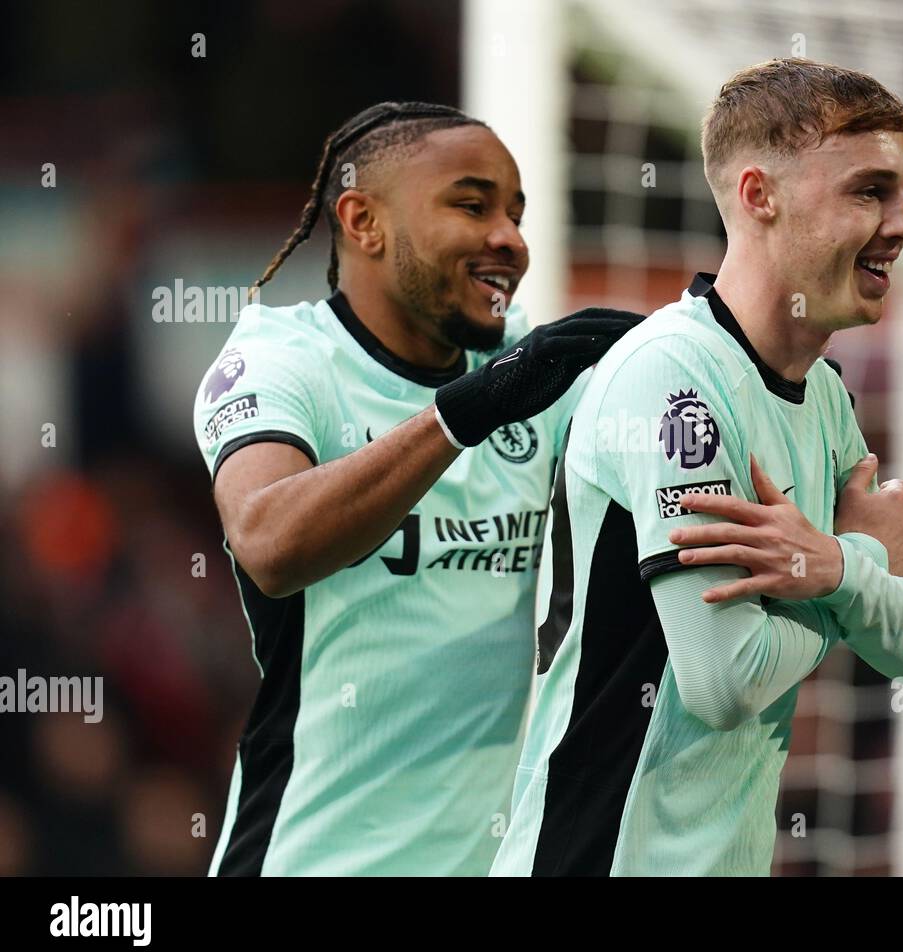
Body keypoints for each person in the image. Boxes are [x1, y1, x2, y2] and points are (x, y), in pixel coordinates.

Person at [491, 59, 903, 876]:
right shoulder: (673, 379)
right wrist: (858, 566)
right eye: (869, 190)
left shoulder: (825, 398)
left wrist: (831, 568)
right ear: (758, 195)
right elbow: (725, 680)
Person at [193, 101, 640, 875]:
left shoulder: (522, 375)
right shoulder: (283, 360)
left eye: (515, 212)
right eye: (472, 205)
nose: (510, 238)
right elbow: (268, 540)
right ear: (363, 221)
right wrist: (464, 415)